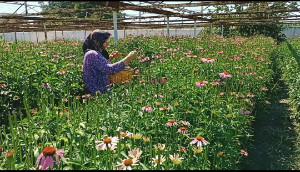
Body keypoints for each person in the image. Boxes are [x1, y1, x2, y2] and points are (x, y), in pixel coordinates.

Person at [82, 29, 137, 95]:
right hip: (98, 94)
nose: (107, 44)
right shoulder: (92, 54)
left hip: (100, 92)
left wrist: (110, 57)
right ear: (98, 42)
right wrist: (128, 58)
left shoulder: (93, 53)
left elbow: (100, 68)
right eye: (105, 42)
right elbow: (110, 69)